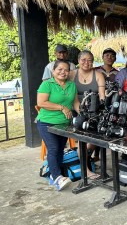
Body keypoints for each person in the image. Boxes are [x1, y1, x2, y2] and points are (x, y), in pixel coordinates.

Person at [37, 60, 80, 190]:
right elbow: (41, 102)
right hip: (46, 122)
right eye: (60, 69)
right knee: (54, 148)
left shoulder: (71, 85)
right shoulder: (47, 84)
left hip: (64, 124)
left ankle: (57, 173)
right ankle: (56, 177)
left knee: (60, 149)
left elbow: (75, 102)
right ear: (53, 71)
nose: (63, 72)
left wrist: (83, 114)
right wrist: (61, 107)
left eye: (66, 70)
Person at [69, 50, 105, 173]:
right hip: (76, 111)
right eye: (83, 59)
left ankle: (85, 156)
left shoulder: (98, 75)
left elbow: (102, 96)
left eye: (89, 60)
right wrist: (82, 113)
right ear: (78, 61)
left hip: (94, 110)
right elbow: (71, 97)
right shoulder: (71, 75)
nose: (86, 62)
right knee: (82, 139)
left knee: (99, 136)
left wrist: (102, 111)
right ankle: (86, 172)